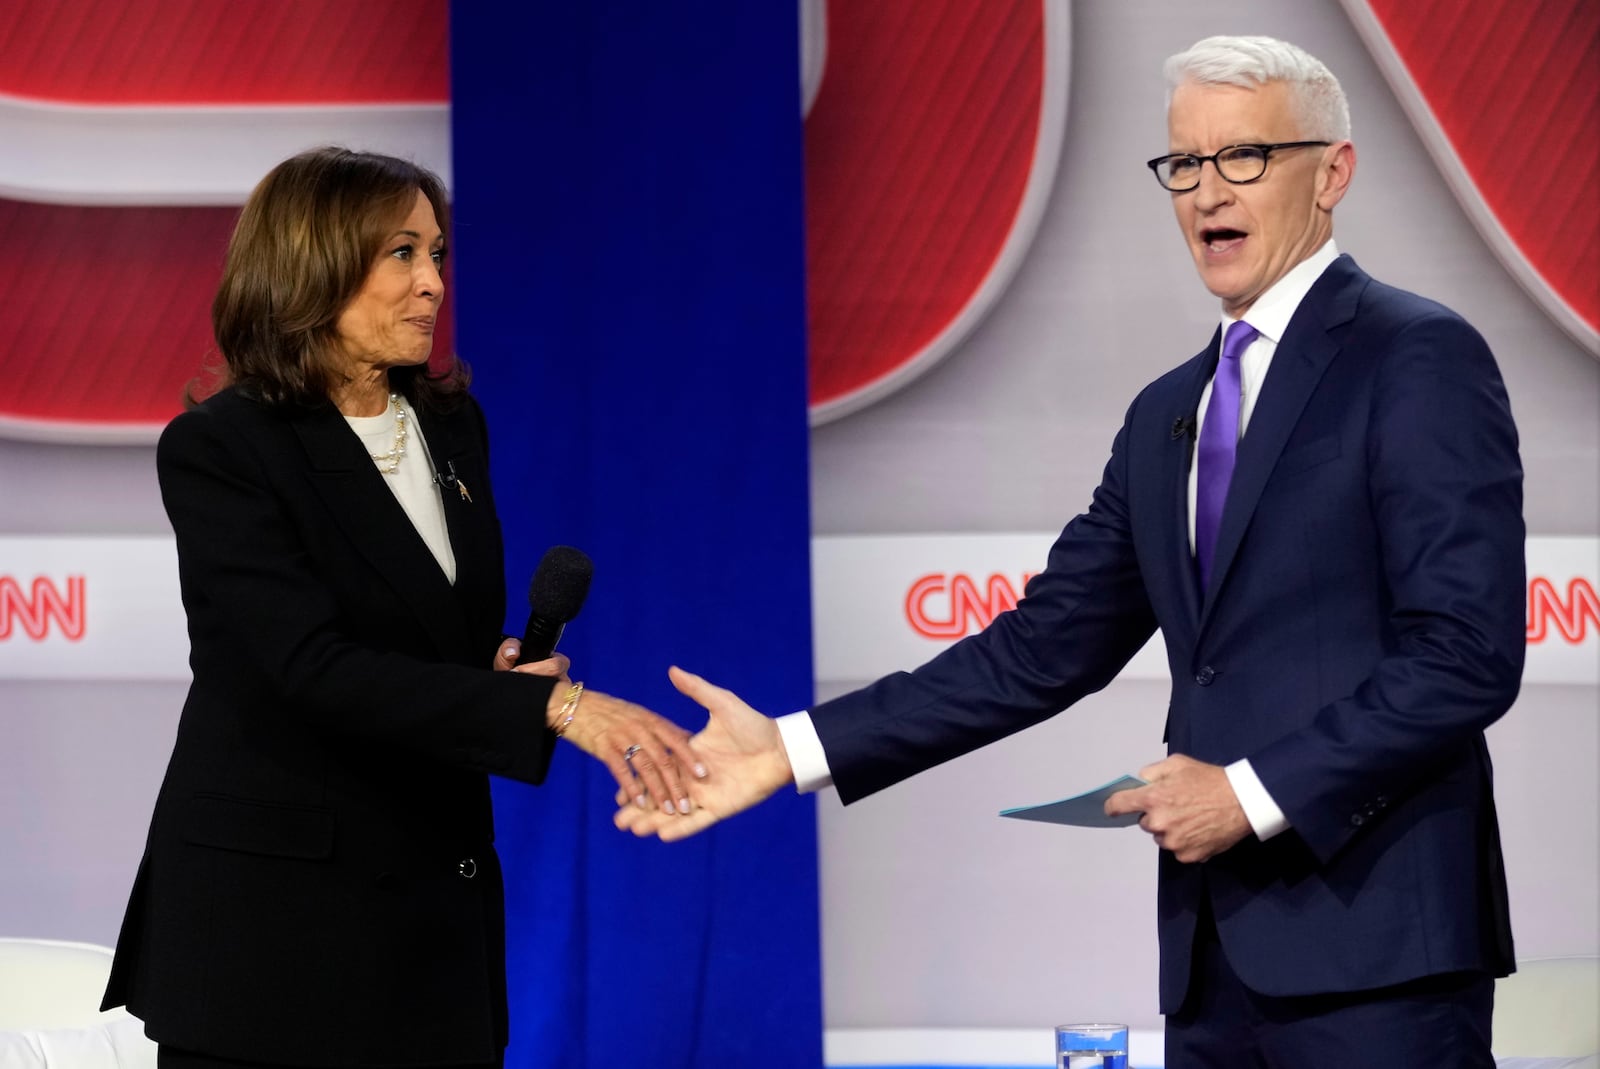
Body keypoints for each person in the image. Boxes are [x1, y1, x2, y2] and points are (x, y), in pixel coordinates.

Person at [618, 35, 1524, 1068]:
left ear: (1331, 173)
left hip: (1380, 963)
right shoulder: (1164, 416)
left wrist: (1249, 792)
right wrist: (791, 748)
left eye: (1243, 158)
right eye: (1182, 163)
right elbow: (1039, 648)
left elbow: (1464, 652)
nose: (1204, 192)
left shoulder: (1414, 355)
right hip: (1213, 969)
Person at [101, 147, 703, 1068]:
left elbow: (424, 637)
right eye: (401, 253)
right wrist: (549, 706)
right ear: (314, 263)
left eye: (438, 253)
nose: (432, 283)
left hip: (435, 924)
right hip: (275, 947)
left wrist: (496, 672)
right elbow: (310, 668)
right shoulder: (223, 449)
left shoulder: (452, 425)